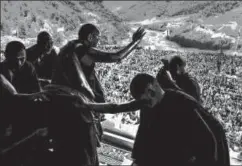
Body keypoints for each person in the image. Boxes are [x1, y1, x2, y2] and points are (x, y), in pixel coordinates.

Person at [52, 23, 146, 143]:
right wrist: (135, 42)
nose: (99, 40)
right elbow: (116, 56)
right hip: (77, 103)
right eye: (97, 37)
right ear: (90, 37)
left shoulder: (70, 47)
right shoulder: (81, 50)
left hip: (64, 98)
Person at [130, 73, 230, 166]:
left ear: (153, 88)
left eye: (149, 96)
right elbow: (143, 135)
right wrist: (137, 161)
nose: (148, 102)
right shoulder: (147, 107)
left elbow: (208, 142)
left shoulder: (182, 103)